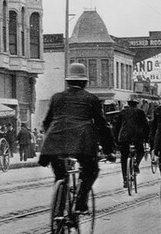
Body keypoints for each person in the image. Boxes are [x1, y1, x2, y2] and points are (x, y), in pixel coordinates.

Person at [39, 63, 116, 223]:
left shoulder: (56, 98)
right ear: (84, 82)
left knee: (60, 176)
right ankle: (80, 204)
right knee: (91, 170)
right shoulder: (91, 99)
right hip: (82, 143)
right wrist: (109, 150)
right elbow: (102, 126)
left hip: (56, 142)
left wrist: (48, 142)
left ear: (68, 81)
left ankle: (59, 216)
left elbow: (46, 122)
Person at [113, 94, 149, 187]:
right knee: (140, 151)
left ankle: (125, 179)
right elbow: (145, 126)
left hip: (124, 137)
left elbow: (117, 127)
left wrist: (116, 140)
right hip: (137, 137)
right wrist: (146, 138)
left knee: (124, 157)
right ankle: (136, 164)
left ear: (128, 103)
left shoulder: (122, 112)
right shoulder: (140, 112)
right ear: (137, 103)